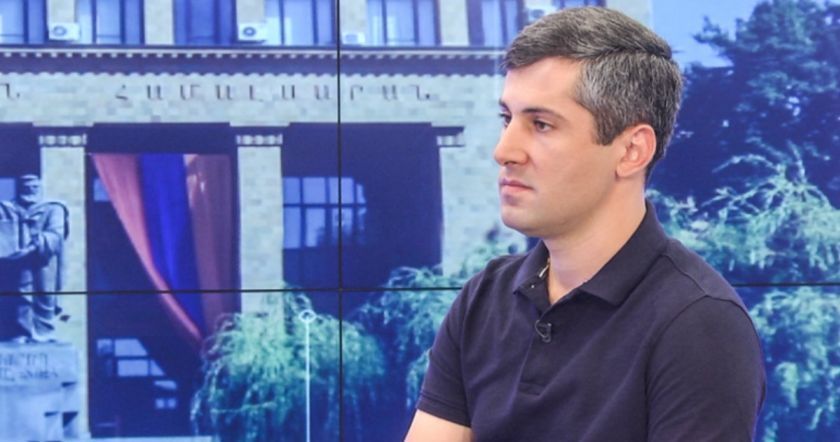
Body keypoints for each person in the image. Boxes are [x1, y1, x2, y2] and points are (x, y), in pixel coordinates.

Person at [405, 7, 765, 441]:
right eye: (507, 119)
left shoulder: (699, 323)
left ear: (632, 151)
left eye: (541, 124)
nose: (504, 151)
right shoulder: (483, 298)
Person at [0, 174, 69, 342]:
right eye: (26, 187)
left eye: (34, 187)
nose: (29, 190)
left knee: (45, 297)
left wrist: (32, 247)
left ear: (40, 188)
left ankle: (43, 333)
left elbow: (56, 235)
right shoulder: (7, 209)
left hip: (44, 261)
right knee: (20, 297)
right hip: (16, 263)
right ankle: (21, 332)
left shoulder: (53, 208)